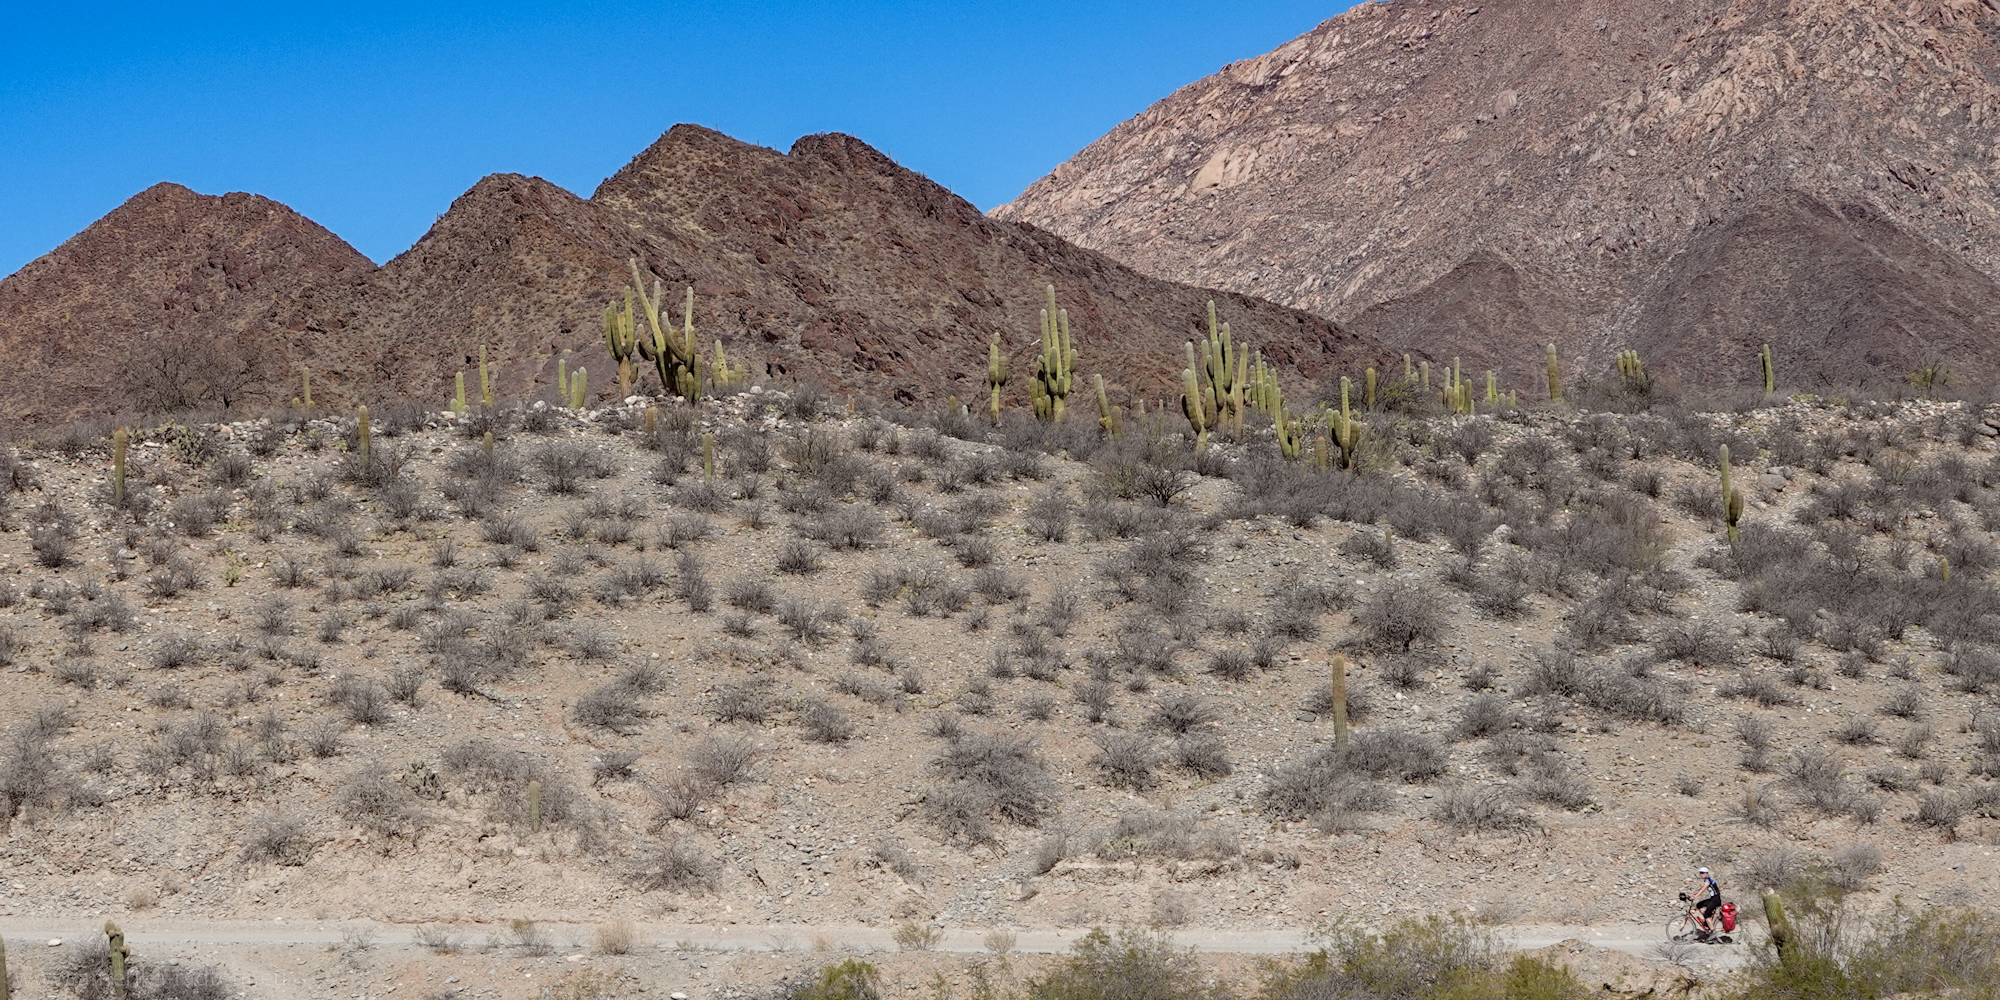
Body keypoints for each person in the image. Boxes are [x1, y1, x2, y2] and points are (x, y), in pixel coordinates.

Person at [1686, 866, 1722, 937]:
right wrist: (1692, 894)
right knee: (1699, 905)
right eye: (1700, 873)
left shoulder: (1708, 880)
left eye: (1703, 873)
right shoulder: (1707, 880)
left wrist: (1695, 897)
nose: (1701, 874)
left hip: (1716, 899)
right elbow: (1700, 889)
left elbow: (1703, 889)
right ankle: (1707, 922)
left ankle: (1713, 931)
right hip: (1713, 898)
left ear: (1707, 873)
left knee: (1706, 915)